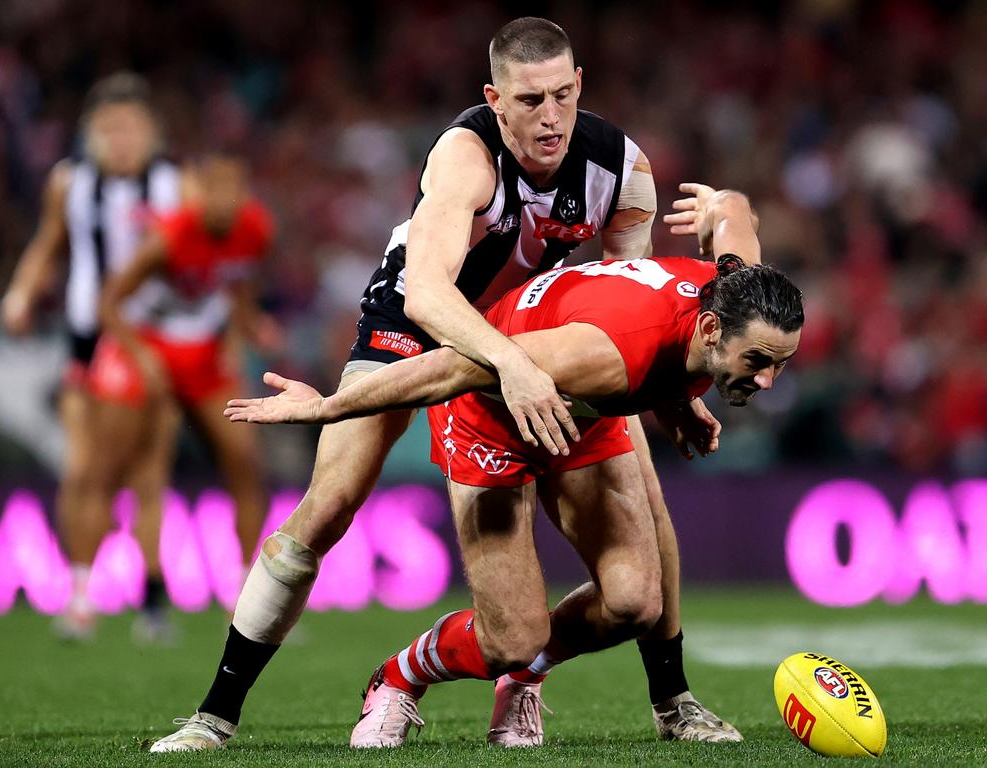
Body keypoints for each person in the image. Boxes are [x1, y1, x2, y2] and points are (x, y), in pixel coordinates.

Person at [151, 16, 733, 751]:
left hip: (529, 338)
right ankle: (215, 715)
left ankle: (669, 699)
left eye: (561, 95)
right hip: (416, 326)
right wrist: (512, 367)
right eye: (528, 101)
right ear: (494, 99)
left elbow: (628, 297)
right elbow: (428, 293)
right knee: (328, 504)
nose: (549, 117)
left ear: (580, 85)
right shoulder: (465, 157)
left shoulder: (622, 169)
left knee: (644, 498)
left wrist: (670, 396)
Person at [222, 184, 804, 748]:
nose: (766, 380)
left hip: (577, 409)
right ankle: (400, 676)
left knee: (633, 603)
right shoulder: (609, 354)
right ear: (709, 329)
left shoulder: (737, 291)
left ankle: (529, 679)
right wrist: (329, 405)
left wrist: (719, 207)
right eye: (757, 361)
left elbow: (734, 213)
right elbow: (453, 368)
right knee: (511, 639)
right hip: (490, 411)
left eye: (780, 363)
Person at [0, 72, 187, 640]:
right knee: (83, 469)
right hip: (88, 341)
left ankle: (151, 602)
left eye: (130, 127)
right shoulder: (70, 182)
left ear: (150, 132)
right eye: (108, 129)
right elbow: (49, 242)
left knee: (148, 475)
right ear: (91, 134)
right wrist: (22, 290)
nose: (120, 140)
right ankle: (79, 594)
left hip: (156, 342)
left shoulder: (177, 185)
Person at [89, 151, 277, 640]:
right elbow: (109, 301)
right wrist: (140, 355)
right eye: (214, 191)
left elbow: (239, 282)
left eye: (233, 191)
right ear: (198, 194)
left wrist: (247, 324)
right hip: (152, 346)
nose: (223, 202)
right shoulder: (170, 235)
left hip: (206, 352)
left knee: (244, 459)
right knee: (145, 471)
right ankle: (149, 601)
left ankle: (245, 597)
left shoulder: (255, 229)